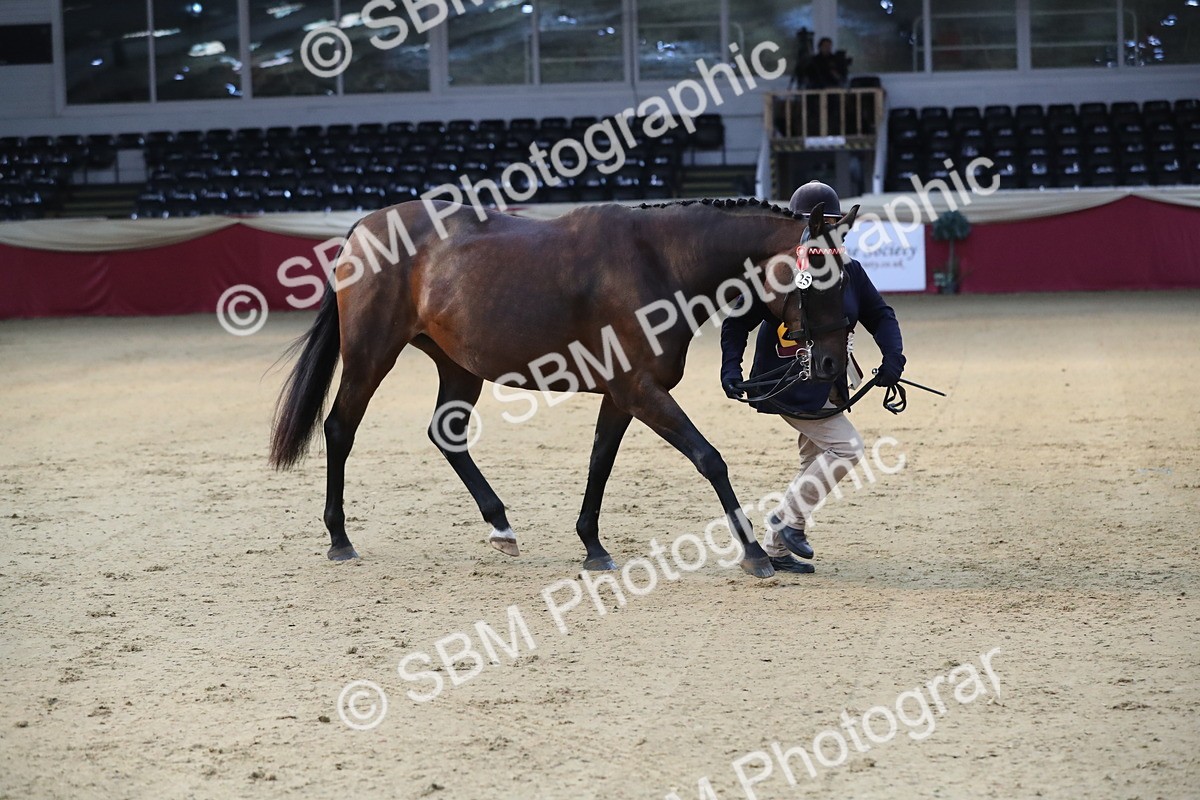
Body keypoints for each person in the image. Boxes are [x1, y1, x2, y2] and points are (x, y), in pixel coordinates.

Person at [720, 181, 904, 574]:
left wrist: (893, 358)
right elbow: (736, 323)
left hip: (830, 381)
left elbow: (879, 315)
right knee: (847, 449)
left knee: (815, 460)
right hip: (788, 382)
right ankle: (787, 522)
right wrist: (730, 366)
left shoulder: (849, 271)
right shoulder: (776, 273)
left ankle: (775, 549)